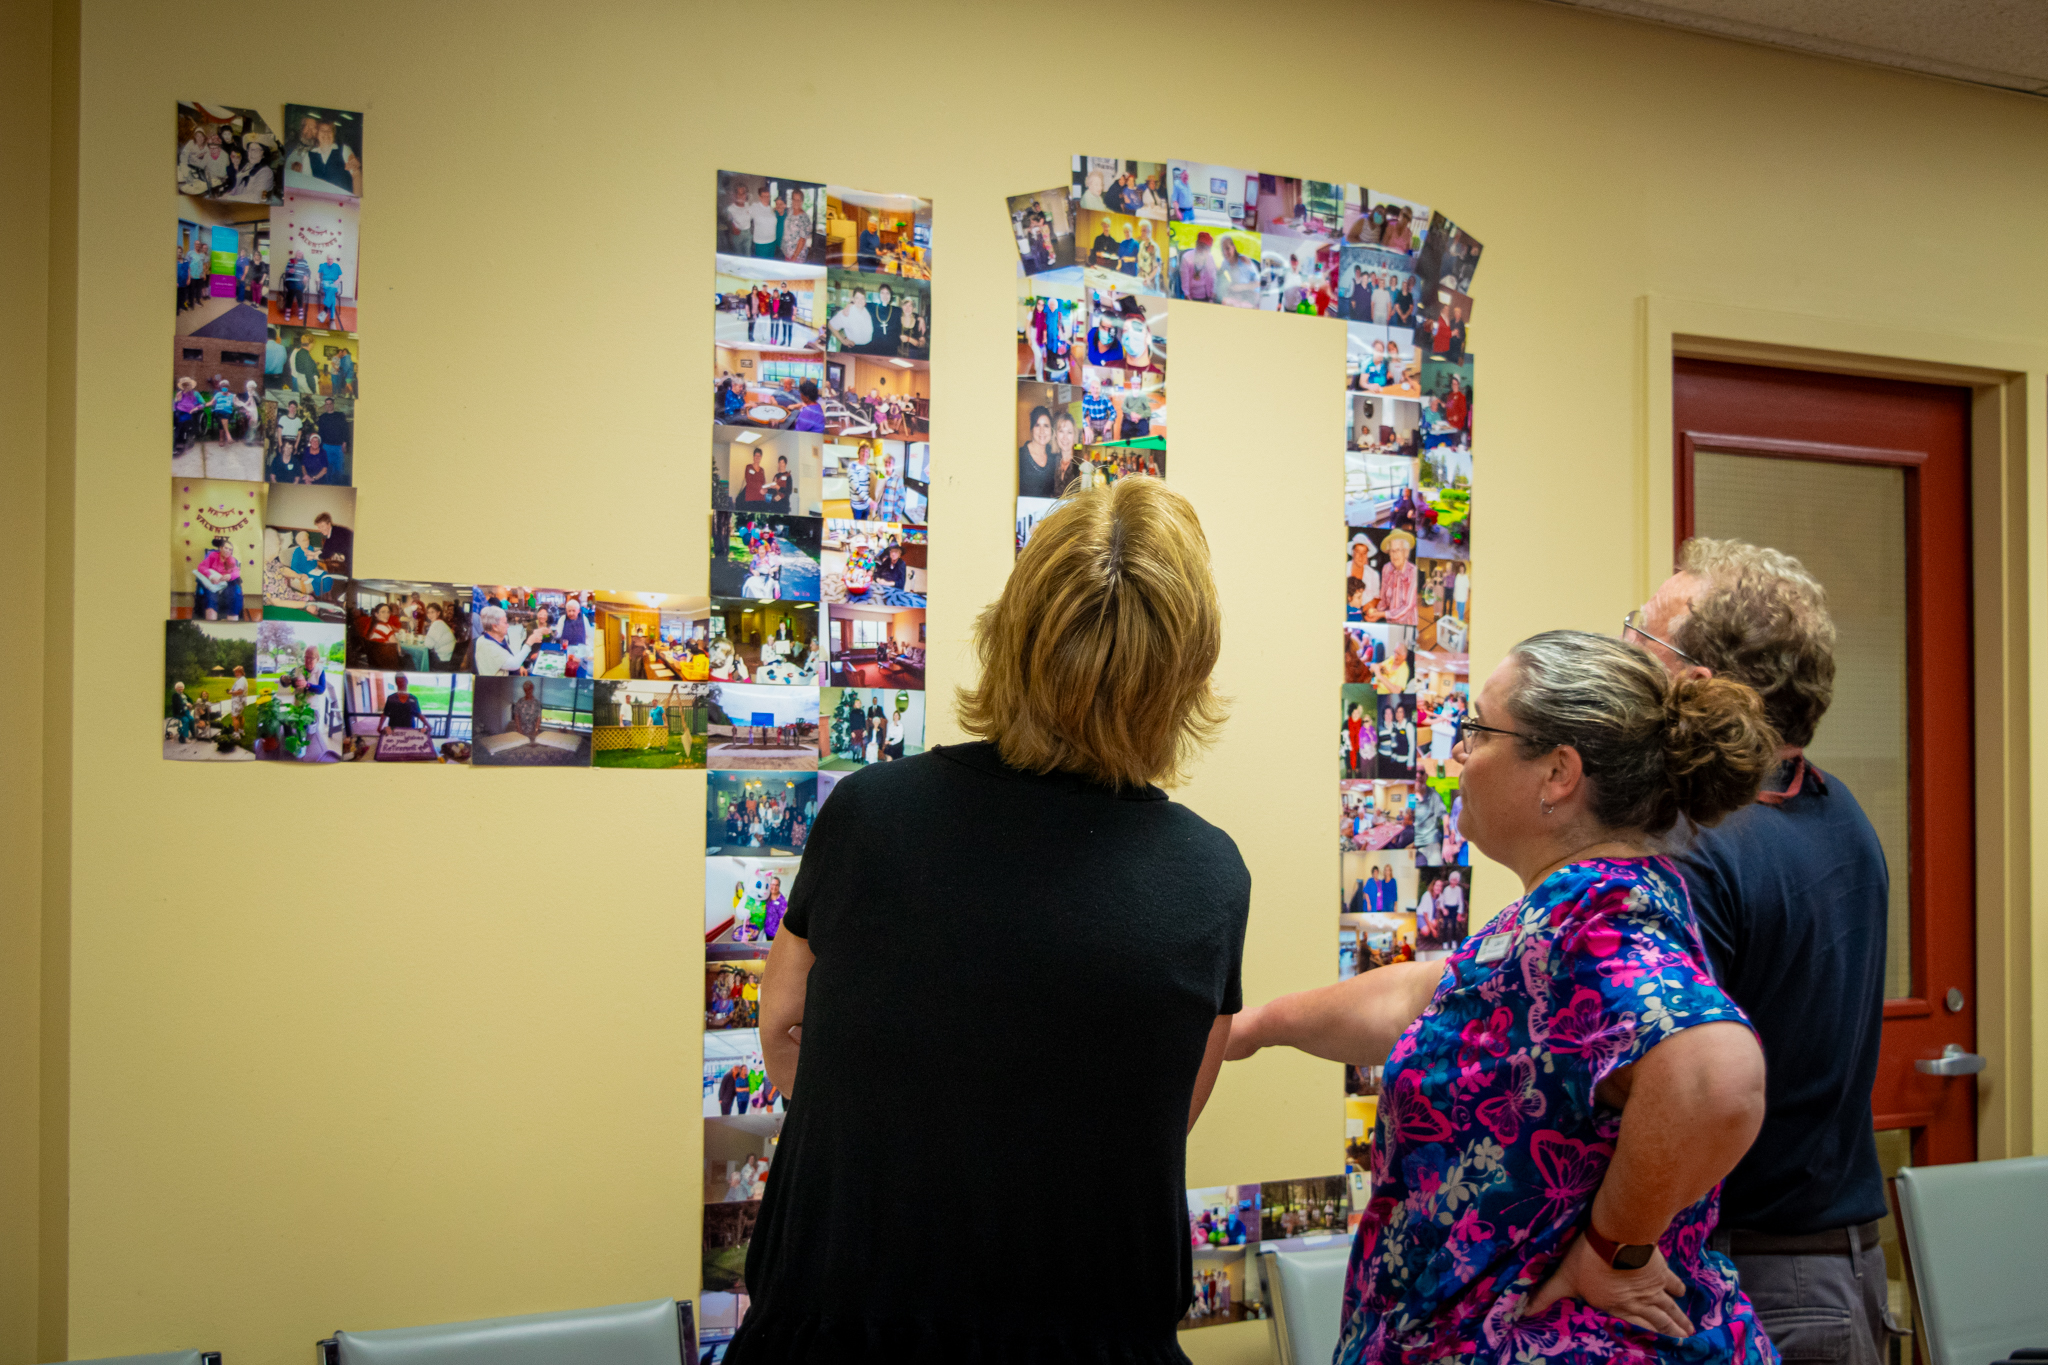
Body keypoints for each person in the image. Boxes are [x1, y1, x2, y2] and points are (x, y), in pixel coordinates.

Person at [729, 479, 1246, 1363]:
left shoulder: (870, 815)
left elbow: (782, 1025)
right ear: (1182, 677)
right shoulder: (1209, 875)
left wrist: (891, 1128)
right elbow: (1167, 1110)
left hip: (842, 1322)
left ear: (1012, 632)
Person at [1229, 630, 1779, 1363]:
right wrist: (1259, 1025)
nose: (1456, 755)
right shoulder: (1563, 919)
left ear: (1558, 772)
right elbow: (1432, 998)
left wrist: (1609, 1247)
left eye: (1477, 730)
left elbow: (1719, 1074)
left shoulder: (1601, 922)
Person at [1630, 539, 1901, 1363]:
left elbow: (1678, 1090)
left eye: (1641, 639)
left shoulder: (1701, 850)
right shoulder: (1834, 806)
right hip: (1843, 1271)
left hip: (1757, 1281)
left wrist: (1608, 1245)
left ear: (1695, 685)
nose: (1623, 655)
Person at [474, 604, 537, 676]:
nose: (508, 625)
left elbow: (509, 658)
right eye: (505, 623)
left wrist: (520, 666)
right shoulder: (487, 645)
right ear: (495, 627)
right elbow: (514, 664)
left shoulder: (497, 639)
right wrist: (530, 642)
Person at [192, 537, 243, 620]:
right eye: (226, 548)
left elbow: (237, 572)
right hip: (212, 581)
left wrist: (230, 576)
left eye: (230, 550)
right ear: (221, 548)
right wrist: (211, 576)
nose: (228, 551)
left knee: (233, 596)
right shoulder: (213, 556)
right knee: (210, 596)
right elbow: (201, 567)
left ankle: (232, 625)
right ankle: (212, 622)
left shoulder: (232, 560)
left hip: (226, 582)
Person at [1016, 404, 1059, 499]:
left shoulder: (1053, 457)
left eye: (1046, 426)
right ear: (1032, 429)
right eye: (1037, 425)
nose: (1042, 431)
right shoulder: (1020, 456)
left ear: (1051, 430)